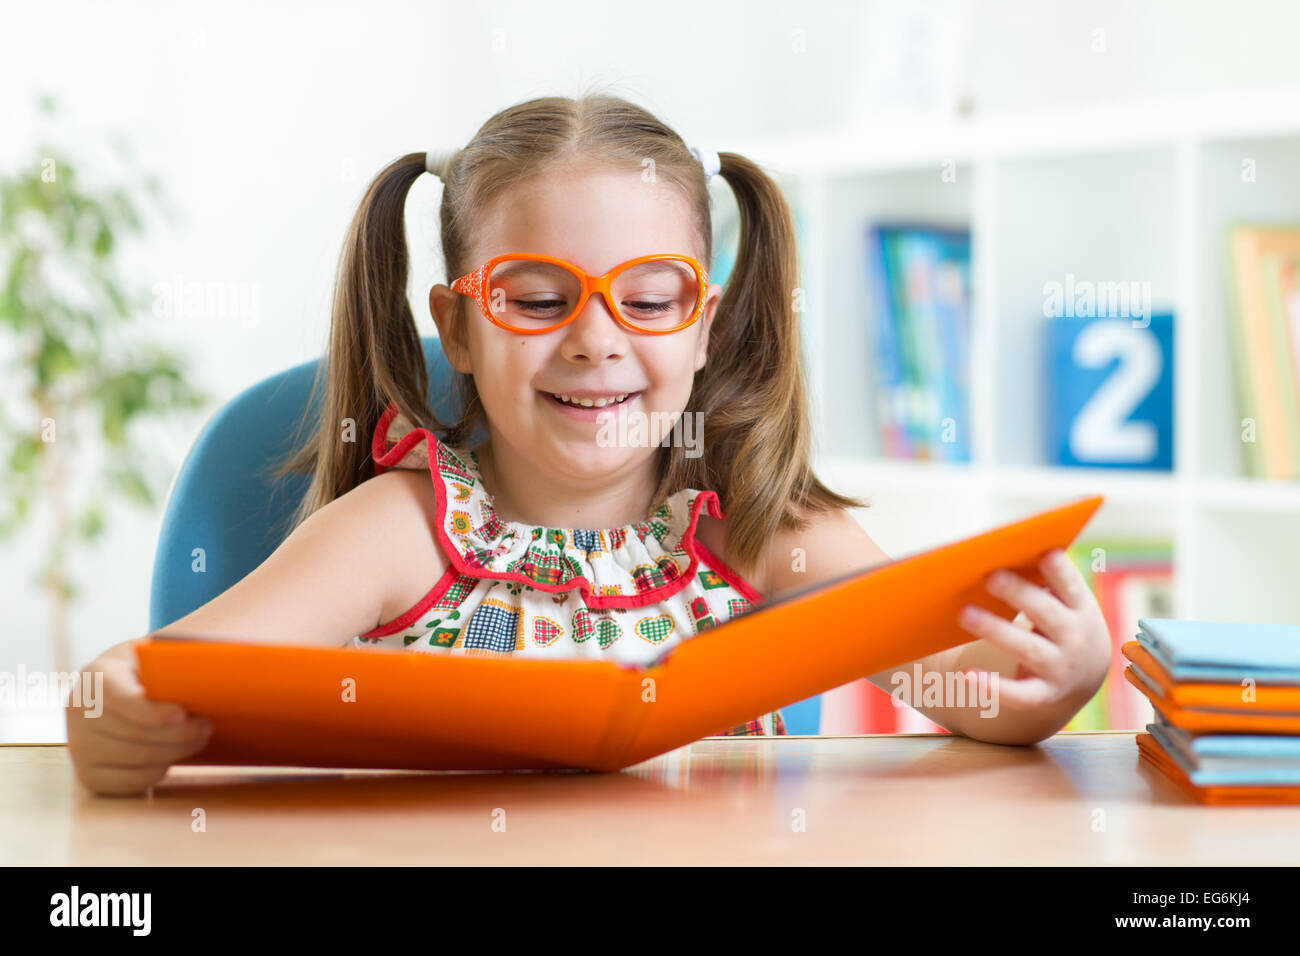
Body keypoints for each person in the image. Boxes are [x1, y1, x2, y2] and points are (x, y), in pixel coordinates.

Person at [66, 93, 1111, 796]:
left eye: (650, 298)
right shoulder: (400, 529)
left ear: (702, 324)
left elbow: (966, 690)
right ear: (461, 324)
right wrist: (106, 710)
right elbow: (162, 675)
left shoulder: (754, 525)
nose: (598, 339)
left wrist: (1051, 678)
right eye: (536, 298)